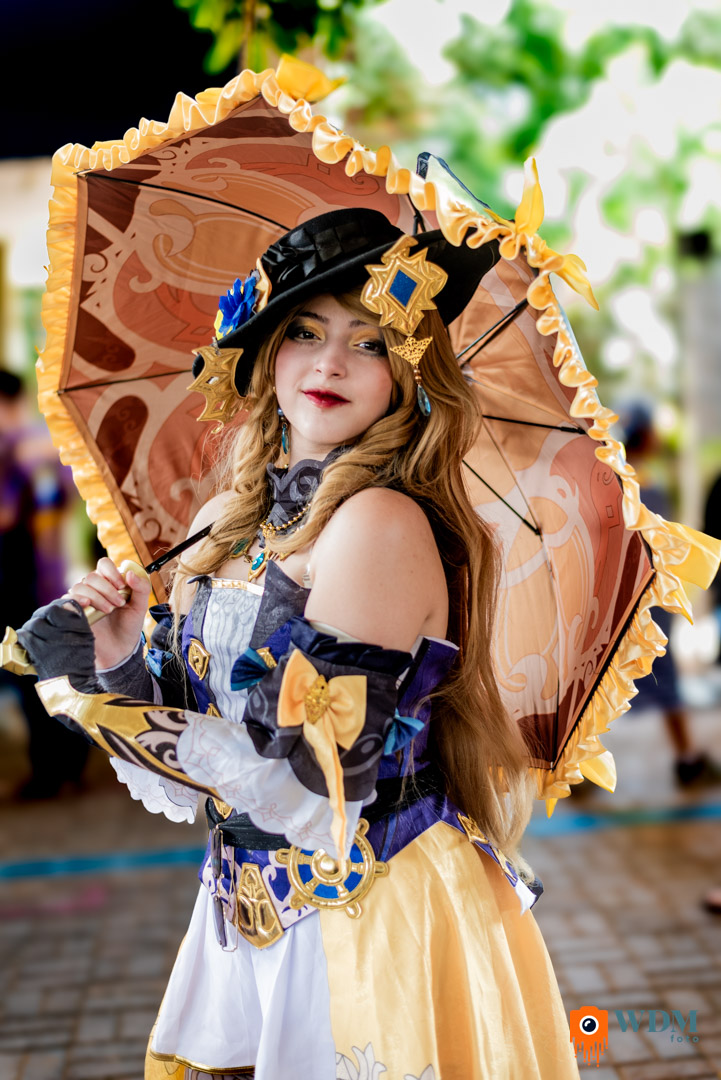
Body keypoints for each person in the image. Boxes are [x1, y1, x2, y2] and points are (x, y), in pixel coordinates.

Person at [16, 209, 581, 1079]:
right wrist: (122, 654)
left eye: (369, 342)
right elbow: (202, 742)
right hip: (243, 912)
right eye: (305, 332)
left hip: (367, 918)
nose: (328, 362)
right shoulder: (223, 521)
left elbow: (311, 782)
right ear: (266, 353)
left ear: (408, 374)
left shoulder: (379, 522)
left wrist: (85, 700)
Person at [0, 369, 87, 798]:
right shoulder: (39, 444)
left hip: (28, 580)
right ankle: (62, 767)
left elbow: (9, 515)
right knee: (44, 671)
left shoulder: (25, 448)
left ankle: (56, 770)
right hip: (38, 578)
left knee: (34, 673)